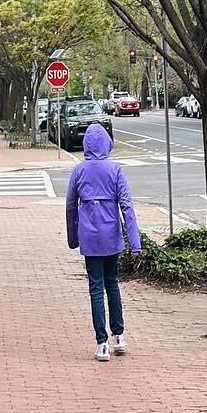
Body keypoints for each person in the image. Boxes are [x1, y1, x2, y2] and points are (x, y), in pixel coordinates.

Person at [65, 121, 141, 361]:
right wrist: (135, 242)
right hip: (111, 234)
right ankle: (118, 336)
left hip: (89, 236)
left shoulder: (78, 170)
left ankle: (101, 343)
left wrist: (73, 238)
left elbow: (70, 207)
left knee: (95, 288)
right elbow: (127, 207)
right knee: (113, 283)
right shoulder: (116, 170)